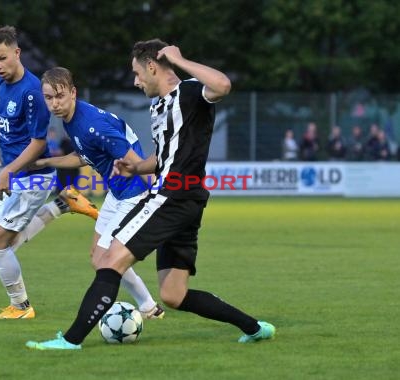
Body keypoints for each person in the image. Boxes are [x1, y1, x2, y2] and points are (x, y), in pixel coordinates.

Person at [26, 39, 275, 350]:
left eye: (137, 72)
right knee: (174, 294)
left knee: (109, 261)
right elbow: (162, 158)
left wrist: (179, 59)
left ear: (153, 67)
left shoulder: (191, 91)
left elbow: (223, 85)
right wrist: (134, 168)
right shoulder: (160, 105)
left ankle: (71, 341)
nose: (135, 80)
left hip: (172, 195)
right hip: (188, 198)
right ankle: (254, 328)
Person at [23, 66, 164, 319]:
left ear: (73, 93)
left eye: (60, 96)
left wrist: (157, 195)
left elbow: (136, 161)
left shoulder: (93, 125)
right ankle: (149, 308)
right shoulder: (72, 120)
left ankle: (148, 308)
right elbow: (83, 157)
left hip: (134, 194)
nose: (54, 103)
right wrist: (45, 163)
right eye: (49, 98)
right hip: (116, 193)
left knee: (104, 259)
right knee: (97, 257)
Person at [0, 26, 98, 320]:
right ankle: (63, 204)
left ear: (17, 53)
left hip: (30, 176)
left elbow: (38, 144)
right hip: (14, 174)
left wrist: (7, 170)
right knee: (7, 244)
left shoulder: (33, 92)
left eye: (2, 58)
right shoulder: (0, 82)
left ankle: (21, 307)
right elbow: (4, 119)